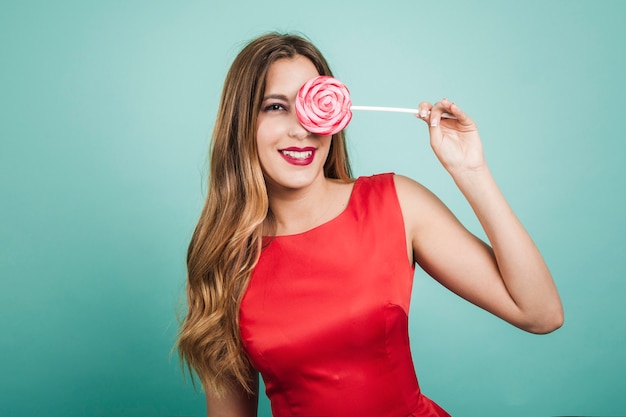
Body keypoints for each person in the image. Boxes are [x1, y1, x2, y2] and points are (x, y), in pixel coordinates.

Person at [176, 33, 564, 417]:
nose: (302, 128)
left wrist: (471, 170)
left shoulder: (394, 203)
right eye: (276, 107)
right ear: (241, 122)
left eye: (313, 103)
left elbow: (540, 313)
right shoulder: (222, 256)